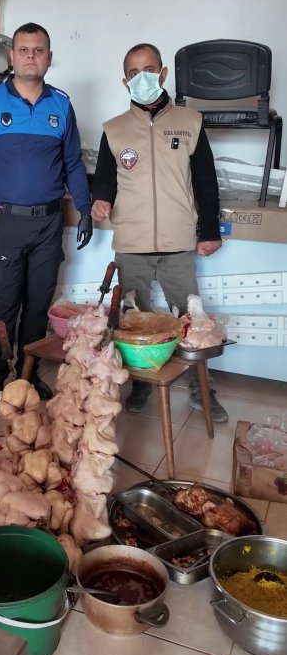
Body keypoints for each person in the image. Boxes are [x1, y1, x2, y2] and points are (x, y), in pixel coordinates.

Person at [0, 22, 93, 415]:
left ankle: (28, 375)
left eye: (39, 49)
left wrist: (83, 208)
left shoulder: (61, 105)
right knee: (3, 303)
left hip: (49, 222)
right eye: (24, 49)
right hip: (7, 222)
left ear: (49, 57)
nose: (32, 55)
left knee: (37, 303)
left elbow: (73, 163)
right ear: (12, 57)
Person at [91, 42, 228, 422]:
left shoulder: (190, 122)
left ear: (163, 74)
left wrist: (210, 230)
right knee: (135, 320)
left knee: (190, 320)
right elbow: (104, 179)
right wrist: (100, 199)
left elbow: (205, 182)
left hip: (178, 240)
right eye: (134, 73)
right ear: (124, 81)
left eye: (149, 69)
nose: (142, 78)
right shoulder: (114, 130)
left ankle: (202, 390)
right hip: (131, 242)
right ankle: (140, 385)